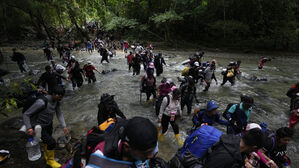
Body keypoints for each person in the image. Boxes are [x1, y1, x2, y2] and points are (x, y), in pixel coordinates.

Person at [81, 117, 158, 168]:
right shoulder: (99, 161)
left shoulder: (149, 144)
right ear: (126, 146)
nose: (151, 156)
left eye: (152, 150)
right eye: (146, 153)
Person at [23, 86, 69, 168]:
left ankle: (46, 156)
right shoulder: (41, 102)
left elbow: (59, 113)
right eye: (60, 97)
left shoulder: (57, 101)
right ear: (54, 94)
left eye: (62, 97)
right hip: (38, 126)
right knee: (52, 143)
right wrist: (29, 127)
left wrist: (64, 126)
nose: (61, 99)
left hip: (48, 124)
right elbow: (26, 114)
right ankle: (50, 161)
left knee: (46, 141)